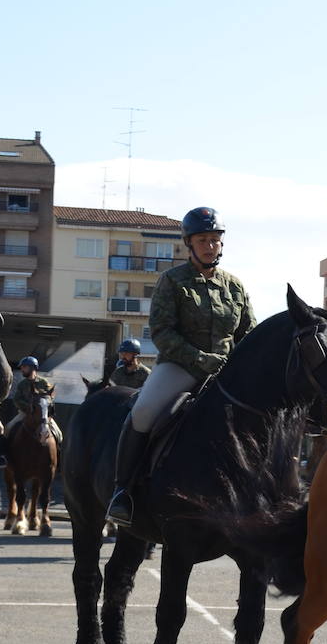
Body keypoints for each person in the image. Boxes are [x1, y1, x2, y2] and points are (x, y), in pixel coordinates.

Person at [106, 207, 254, 527]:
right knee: (144, 411)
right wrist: (200, 359)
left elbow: (247, 334)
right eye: (203, 240)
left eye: (215, 240)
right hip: (180, 366)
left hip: (226, 371)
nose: (210, 246)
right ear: (188, 243)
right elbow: (162, 331)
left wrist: (243, 365)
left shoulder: (235, 287)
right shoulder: (172, 281)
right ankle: (124, 492)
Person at [6, 356, 63, 443]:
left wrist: (42, 409)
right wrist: (28, 407)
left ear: (32, 368)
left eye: (24, 367)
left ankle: (59, 453)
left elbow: (50, 398)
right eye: (21, 367)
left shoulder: (44, 382)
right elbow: (17, 400)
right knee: (8, 428)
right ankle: (5, 454)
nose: (22, 369)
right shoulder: (22, 384)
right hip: (25, 413)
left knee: (59, 434)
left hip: (42, 414)